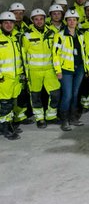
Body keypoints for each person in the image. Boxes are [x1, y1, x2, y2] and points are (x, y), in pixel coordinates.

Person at [21, 9, 61, 129]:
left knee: (55, 94)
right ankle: (40, 118)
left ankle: (51, 116)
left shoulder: (52, 33)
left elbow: (56, 53)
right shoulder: (27, 35)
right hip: (34, 71)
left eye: (41, 19)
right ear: (32, 20)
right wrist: (26, 73)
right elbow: (24, 56)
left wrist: (57, 69)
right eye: (36, 19)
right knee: (35, 96)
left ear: (45, 19)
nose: (39, 21)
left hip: (50, 70)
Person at [53, 9, 88, 131]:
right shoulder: (60, 36)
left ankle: (73, 118)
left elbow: (84, 53)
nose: (72, 22)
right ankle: (64, 120)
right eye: (69, 19)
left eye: (74, 19)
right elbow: (55, 54)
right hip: (66, 70)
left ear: (77, 21)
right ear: (66, 21)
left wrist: (86, 68)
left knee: (75, 94)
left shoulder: (81, 35)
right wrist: (58, 70)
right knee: (67, 95)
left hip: (79, 69)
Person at [0, 11, 25, 140]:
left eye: (11, 22)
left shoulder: (16, 37)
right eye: (6, 23)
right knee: (5, 104)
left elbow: (20, 57)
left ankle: (5, 125)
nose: (9, 25)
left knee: (11, 103)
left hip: (15, 77)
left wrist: (21, 73)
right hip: (3, 79)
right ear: (1, 24)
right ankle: (6, 129)